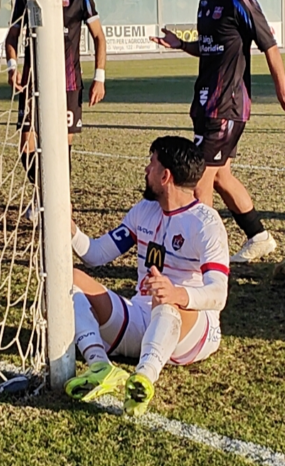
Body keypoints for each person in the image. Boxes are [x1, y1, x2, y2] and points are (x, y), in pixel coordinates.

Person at [152, 0, 285, 263]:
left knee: (199, 183)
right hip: (206, 103)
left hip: (227, 106)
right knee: (219, 177)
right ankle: (259, 236)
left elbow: (270, 47)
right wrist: (182, 45)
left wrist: (282, 91)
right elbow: (210, 49)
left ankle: (202, 257)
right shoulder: (206, 1)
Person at [66, 136, 229, 416]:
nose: (145, 170)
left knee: (163, 301)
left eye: (151, 163)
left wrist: (177, 294)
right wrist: (69, 228)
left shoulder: (206, 223)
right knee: (67, 278)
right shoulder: (144, 211)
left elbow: (218, 294)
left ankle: (144, 378)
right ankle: (100, 366)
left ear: (165, 176)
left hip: (191, 329)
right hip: (140, 316)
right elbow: (95, 254)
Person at [5, 0, 107, 200]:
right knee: (26, 147)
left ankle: (55, 203)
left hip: (68, 84)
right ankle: (45, 196)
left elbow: (98, 36)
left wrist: (99, 77)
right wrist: (12, 67)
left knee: (62, 152)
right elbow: (12, 35)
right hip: (33, 83)